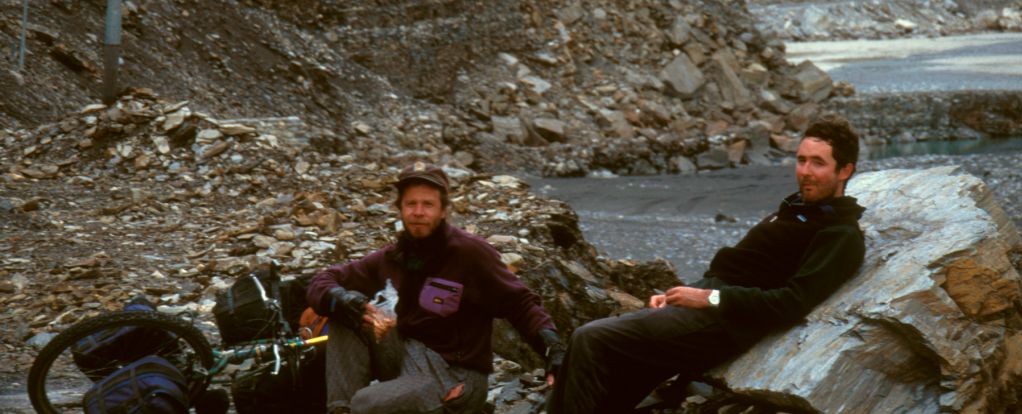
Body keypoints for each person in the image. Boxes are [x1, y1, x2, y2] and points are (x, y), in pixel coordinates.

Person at [546, 114, 866, 414]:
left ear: (845, 171)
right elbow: (737, 267)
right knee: (602, 365)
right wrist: (680, 293)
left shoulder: (840, 234)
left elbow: (792, 301)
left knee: (591, 339)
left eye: (818, 163)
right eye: (801, 160)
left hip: (725, 323)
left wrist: (708, 298)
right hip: (709, 304)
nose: (805, 171)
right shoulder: (798, 210)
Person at [307, 161, 565, 414]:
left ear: (443, 210)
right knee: (344, 313)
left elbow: (520, 302)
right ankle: (340, 410)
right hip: (406, 356)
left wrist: (552, 348)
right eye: (411, 204)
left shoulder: (470, 253)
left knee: (365, 403)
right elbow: (323, 280)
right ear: (400, 209)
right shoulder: (394, 256)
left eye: (428, 204)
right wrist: (339, 298)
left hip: (455, 373)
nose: (418, 212)